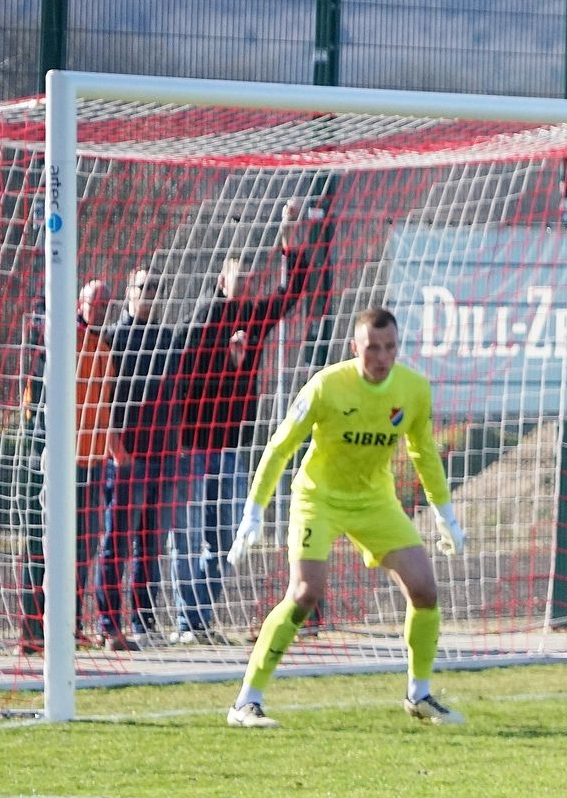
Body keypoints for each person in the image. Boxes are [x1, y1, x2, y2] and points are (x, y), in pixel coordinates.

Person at [223, 307, 465, 729]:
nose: (382, 357)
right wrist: (253, 510)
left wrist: (445, 513)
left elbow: (424, 453)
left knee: (425, 589)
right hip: (318, 498)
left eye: (390, 347)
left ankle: (419, 694)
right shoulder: (327, 385)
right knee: (305, 593)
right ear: (355, 347)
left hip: (375, 501)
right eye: (373, 348)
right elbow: (280, 447)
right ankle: (246, 701)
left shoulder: (413, 389)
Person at [171, 200, 316, 644]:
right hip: (194, 447)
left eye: (252, 279)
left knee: (225, 541)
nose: (248, 284)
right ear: (222, 281)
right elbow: (180, 370)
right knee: (188, 537)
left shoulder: (255, 317)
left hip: (230, 446)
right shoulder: (204, 319)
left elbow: (292, 291)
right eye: (240, 277)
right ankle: (187, 623)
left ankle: (199, 619)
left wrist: (289, 234)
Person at [19, 279, 129, 653]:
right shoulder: (59, 341)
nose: (100, 309)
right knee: (43, 541)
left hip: (92, 461)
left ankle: (70, 624)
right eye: (94, 302)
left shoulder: (105, 349)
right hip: (57, 460)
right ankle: (32, 630)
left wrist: (113, 450)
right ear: (79, 303)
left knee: (82, 547)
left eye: (106, 304)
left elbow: (105, 406)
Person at [99, 264, 181, 645]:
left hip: (161, 457)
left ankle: (144, 622)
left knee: (150, 546)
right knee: (116, 542)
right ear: (129, 290)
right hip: (126, 458)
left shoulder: (168, 339)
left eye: (156, 288)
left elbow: (175, 396)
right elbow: (104, 400)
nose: (150, 293)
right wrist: (116, 449)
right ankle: (109, 624)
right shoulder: (114, 338)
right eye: (144, 286)